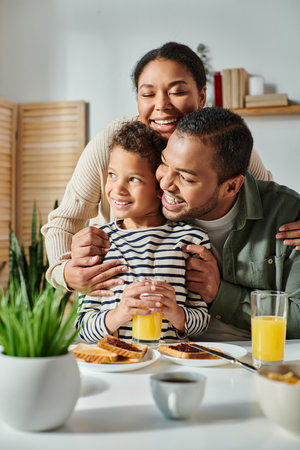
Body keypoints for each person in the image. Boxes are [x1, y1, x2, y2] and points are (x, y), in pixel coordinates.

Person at [42, 41, 300, 295]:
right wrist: (65, 272)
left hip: (185, 295)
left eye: (177, 92)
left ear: (201, 97)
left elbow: (268, 202)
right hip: (119, 291)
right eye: (147, 93)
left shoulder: (220, 144)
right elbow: (65, 221)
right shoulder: (116, 143)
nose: (161, 105)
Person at [155, 107, 300, 340]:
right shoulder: (147, 204)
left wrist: (220, 294)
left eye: (186, 177)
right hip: (172, 356)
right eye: (164, 163)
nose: (165, 183)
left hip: (256, 359)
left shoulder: (286, 214)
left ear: (231, 187)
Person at [77, 121, 210, 343]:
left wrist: (177, 314)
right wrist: (119, 314)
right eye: (112, 174)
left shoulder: (190, 240)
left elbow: (203, 323)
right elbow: (82, 327)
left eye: (134, 179)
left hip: (171, 363)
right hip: (119, 363)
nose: (117, 188)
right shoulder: (98, 241)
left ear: (160, 187)